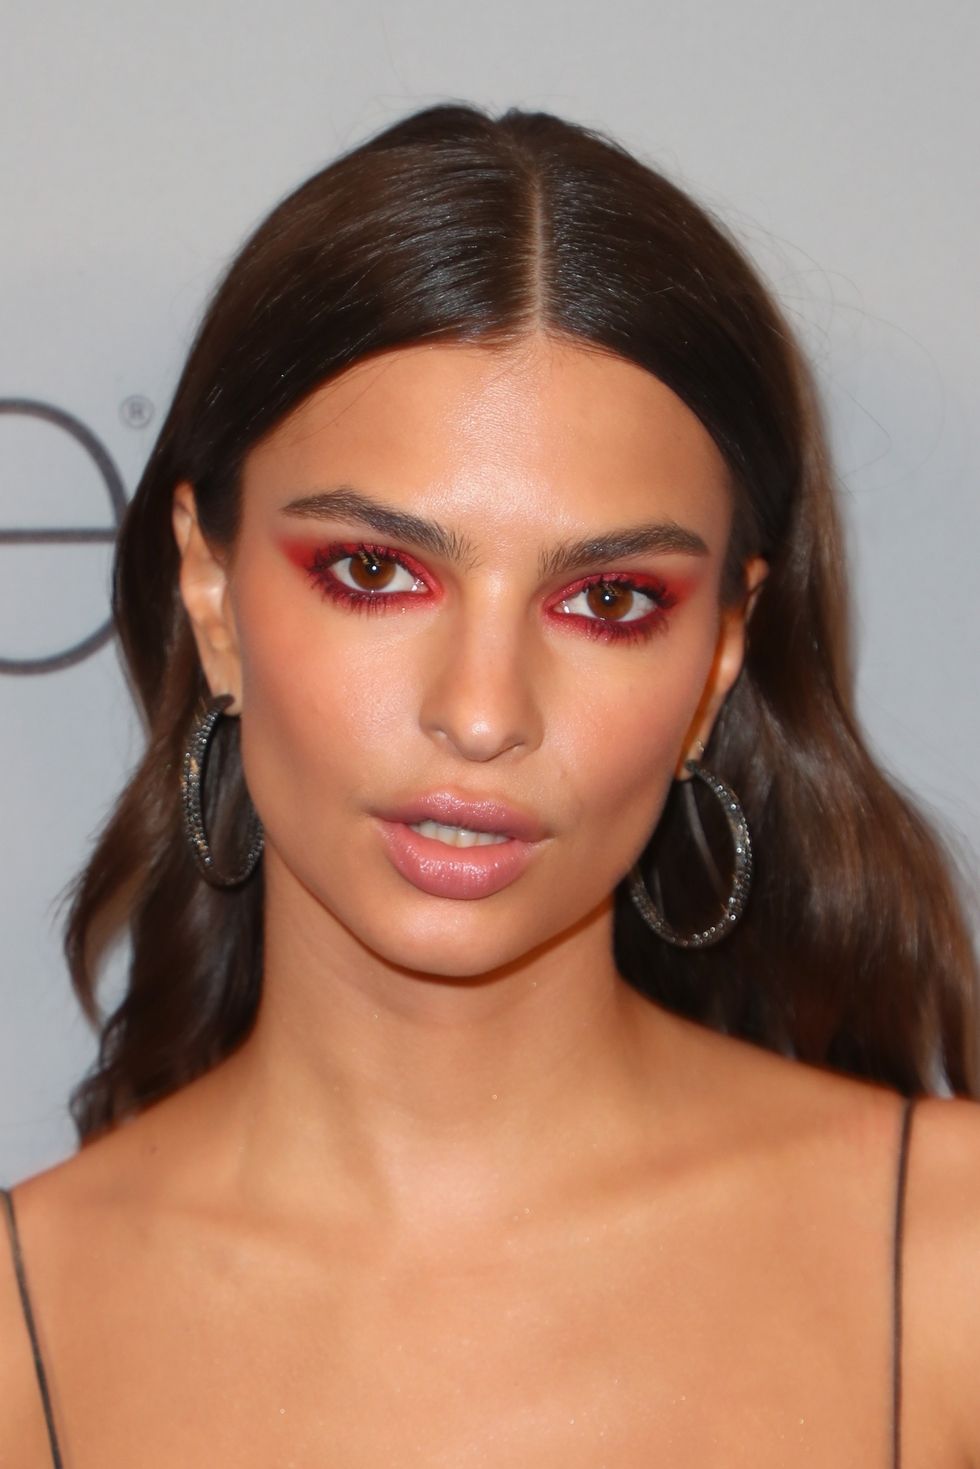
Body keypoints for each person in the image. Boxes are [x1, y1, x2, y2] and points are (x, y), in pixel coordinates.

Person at [2, 102, 979, 1467]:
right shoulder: (24, 1337)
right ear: (211, 594)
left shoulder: (947, 1264)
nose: (480, 713)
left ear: (718, 658)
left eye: (609, 599)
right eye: (373, 571)